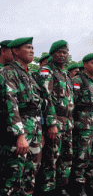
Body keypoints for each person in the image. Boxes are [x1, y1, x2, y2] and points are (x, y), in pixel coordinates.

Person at [0, 37, 46, 195]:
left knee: (30, 174)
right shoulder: (8, 72)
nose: (32, 51)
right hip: (18, 133)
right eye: (28, 47)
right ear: (15, 51)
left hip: (34, 130)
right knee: (13, 177)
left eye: (33, 48)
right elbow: (10, 105)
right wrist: (19, 135)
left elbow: (37, 106)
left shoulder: (30, 75)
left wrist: (40, 132)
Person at [36, 40, 74, 196]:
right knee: (51, 159)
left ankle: (61, 187)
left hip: (67, 123)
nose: (62, 55)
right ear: (52, 54)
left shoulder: (64, 73)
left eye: (65, 52)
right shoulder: (47, 71)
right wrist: (51, 123)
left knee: (66, 157)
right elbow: (46, 97)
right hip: (55, 123)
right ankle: (48, 190)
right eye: (59, 52)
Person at [71, 53, 93, 196]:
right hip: (83, 124)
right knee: (82, 156)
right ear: (85, 64)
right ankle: (78, 188)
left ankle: (91, 185)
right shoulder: (77, 80)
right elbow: (72, 102)